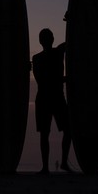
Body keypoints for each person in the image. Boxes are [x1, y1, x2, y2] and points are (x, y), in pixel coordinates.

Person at [32, 28, 72, 174]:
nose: (49, 39)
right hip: (46, 97)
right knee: (45, 133)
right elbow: (41, 80)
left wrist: (70, 20)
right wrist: (65, 79)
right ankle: (45, 166)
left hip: (54, 97)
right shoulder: (37, 58)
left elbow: (73, 38)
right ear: (42, 41)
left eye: (50, 37)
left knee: (68, 130)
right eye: (46, 37)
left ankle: (61, 163)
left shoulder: (58, 51)